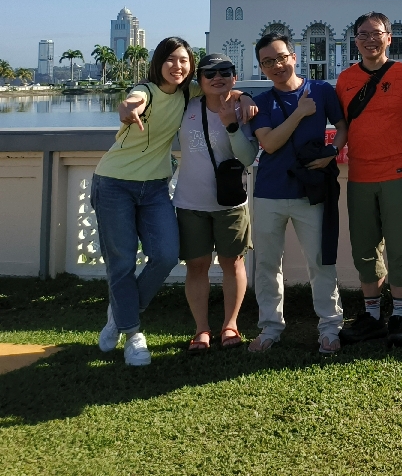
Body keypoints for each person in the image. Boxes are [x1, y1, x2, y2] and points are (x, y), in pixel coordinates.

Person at [94, 37, 248, 366]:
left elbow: (223, 89)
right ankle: (133, 333)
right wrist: (128, 107)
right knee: (121, 263)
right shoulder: (147, 91)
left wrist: (245, 96)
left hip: (154, 187)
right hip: (114, 183)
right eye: (170, 60)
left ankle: (119, 314)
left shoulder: (187, 93)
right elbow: (133, 99)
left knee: (164, 256)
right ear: (158, 63)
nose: (177, 66)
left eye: (184, 61)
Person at [248, 31, 347, 354]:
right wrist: (300, 113)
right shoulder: (260, 102)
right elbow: (270, 143)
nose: (276, 65)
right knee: (266, 263)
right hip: (269, 192)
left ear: (294, 56)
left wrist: (333, 150)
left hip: (310, 191)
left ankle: (330, 327)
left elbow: (343, 125)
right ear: (262, 68)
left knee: (320, 261)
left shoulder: (321, 90)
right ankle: (270, 327)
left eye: (280, 57)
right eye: (267, 62)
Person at [335, 12, 402, 348]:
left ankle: (398, 314)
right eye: (362, 34)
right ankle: (372, 316)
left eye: (376, 33)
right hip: (359, 176)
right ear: (355, 40)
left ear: (389, 38)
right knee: (364, 249)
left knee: (399, 248)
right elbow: (343, 126)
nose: (369, 40)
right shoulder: (345, 80)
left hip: (397, 173)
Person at [172, 53, 258, 352]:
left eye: (225, 71)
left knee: (232, 263)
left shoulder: (243, 109)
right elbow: (158, 87)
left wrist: (232, 122)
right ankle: (201, 329)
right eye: (209, 73)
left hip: (231, 204)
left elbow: (248, 158)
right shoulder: (186, 106)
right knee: (197, 265)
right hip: (190, 201)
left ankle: (230, 325)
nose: (217, 77)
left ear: (235, 76)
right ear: (199, 80)